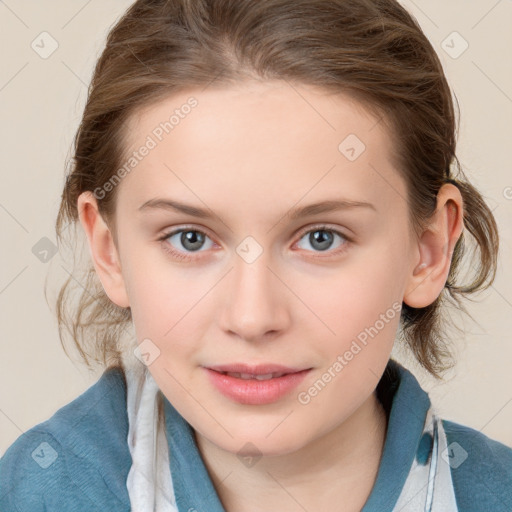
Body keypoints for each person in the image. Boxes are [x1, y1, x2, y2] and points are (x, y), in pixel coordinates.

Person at [1, 0, 510, 510]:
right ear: (108, 250)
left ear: (428, 251)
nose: (252, 317)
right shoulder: (33, 492)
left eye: (321, 238)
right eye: (190, 239)